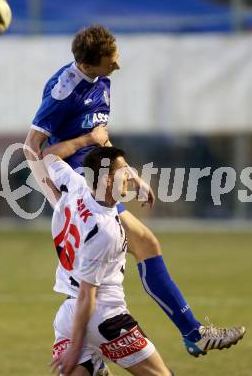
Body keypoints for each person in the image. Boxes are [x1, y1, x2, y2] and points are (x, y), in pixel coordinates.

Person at [24, 25, 245, 357]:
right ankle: (192, 332)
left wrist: (129, 172)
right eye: (111, 61)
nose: (118, 66)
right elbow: (32, 148)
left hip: (100, 179)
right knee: (140, 246)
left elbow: (102, 136)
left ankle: (87, 350)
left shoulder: (102, 80)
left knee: (140, 247)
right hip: (83, 187)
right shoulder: (62, 92)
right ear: (87, 65)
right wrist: (58, 200)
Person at [45, 146, 173, 376]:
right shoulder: (104, 231)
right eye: (125, 171)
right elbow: (87, 294)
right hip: (103, 316)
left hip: (67, 315)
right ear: (107, 180)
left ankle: (93, 364)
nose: (130, 175)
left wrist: (85, 140)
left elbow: (49, 156)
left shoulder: (76, 184)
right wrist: (76, 346)